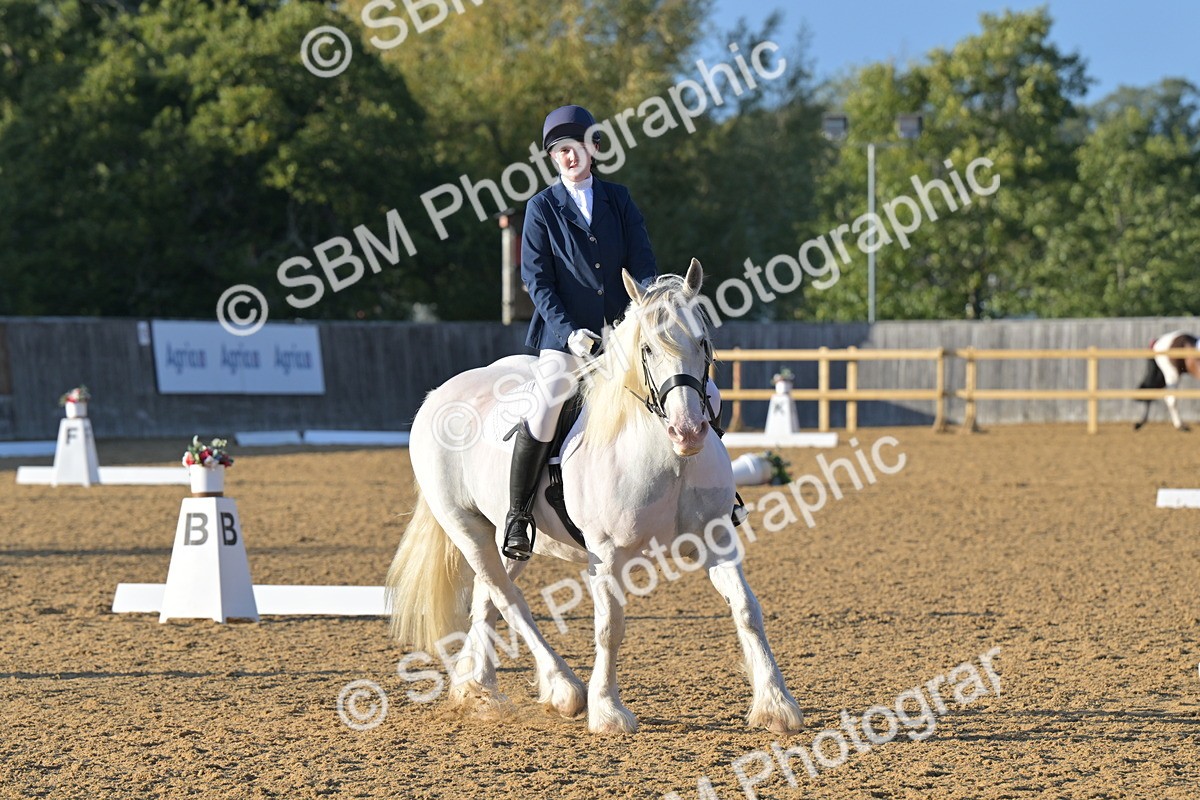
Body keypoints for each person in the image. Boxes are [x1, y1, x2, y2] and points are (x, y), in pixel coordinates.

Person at [502, 105, 731, 561]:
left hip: (624, 337)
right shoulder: (541, 209)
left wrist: (644, 310)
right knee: (548, 403)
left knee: (706, 393)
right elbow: (538, 281)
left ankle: (719, 498)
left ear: (594, 148)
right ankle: (519, 515)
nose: (569, 157)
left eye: (575, 148)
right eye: (559, 151)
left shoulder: (619, 200)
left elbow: (642, 262)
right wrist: (569, 333)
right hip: (565, 339)